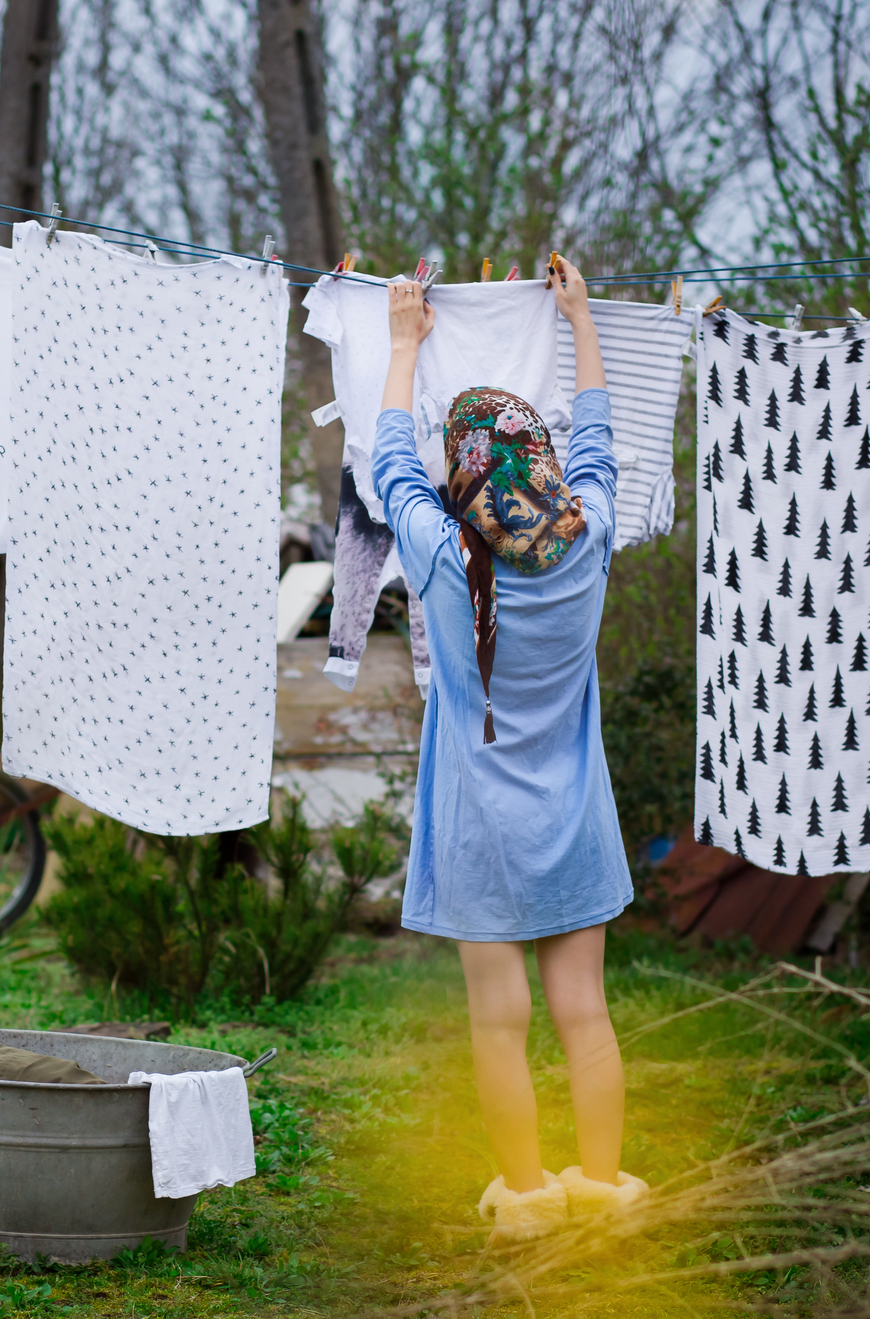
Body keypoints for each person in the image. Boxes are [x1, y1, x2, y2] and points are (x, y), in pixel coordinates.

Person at [373, 256, 648, 1246]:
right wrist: (579, 321)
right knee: (584, 1012)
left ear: (461, 486)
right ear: (546, 466)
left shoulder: (444, 558)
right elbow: (600, 441)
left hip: (478, 834)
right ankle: (601, 1190)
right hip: (574, 825)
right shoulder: (591, 537)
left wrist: (403, 343)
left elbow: (389, 466)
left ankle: (525, 1200)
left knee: (499, 1023)